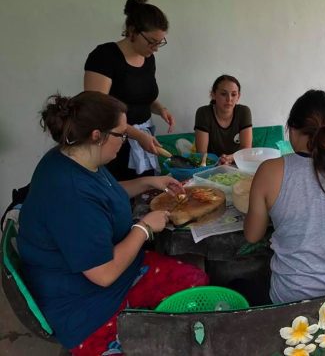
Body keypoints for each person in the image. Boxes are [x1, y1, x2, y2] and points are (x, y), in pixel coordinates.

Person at [17, 92, 208, 355]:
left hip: (113, 273)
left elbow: (104, 192)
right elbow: (103, 274)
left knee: (196, 283)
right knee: (174, 331)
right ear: (97, 135)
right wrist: (144, 227)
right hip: (85, 305)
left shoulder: (76, 157)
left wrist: (150, 182)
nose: (125, 141)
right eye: (121, 134)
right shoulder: (69, 192)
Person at [244, 90, 325, 304]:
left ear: (292, 130)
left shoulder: (270, 171)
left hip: (292, 303)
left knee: (243, 284)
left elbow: (252, 235)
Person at [84, 0, 175, 181]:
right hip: (112, 142)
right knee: (118, 194)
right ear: (132, 31)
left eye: (160, 42)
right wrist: (137, 135)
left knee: (147, 191)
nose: (155, 48)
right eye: (151, 41)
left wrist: (160, 109)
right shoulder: (104, 56)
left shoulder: (148, 58)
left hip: (144, 138)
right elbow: (97, 109)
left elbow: (141, 96)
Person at [195, 75, 252, 165]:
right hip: (210, 165)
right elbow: (202, 153)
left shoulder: (243, 112)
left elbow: (246, 148)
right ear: (213, 94)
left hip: (238, 163)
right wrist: (218, 162)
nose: (229, 99)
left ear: (238, 96)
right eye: (223, 94)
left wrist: (230, 158)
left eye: (233, 94)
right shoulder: (203, 113)